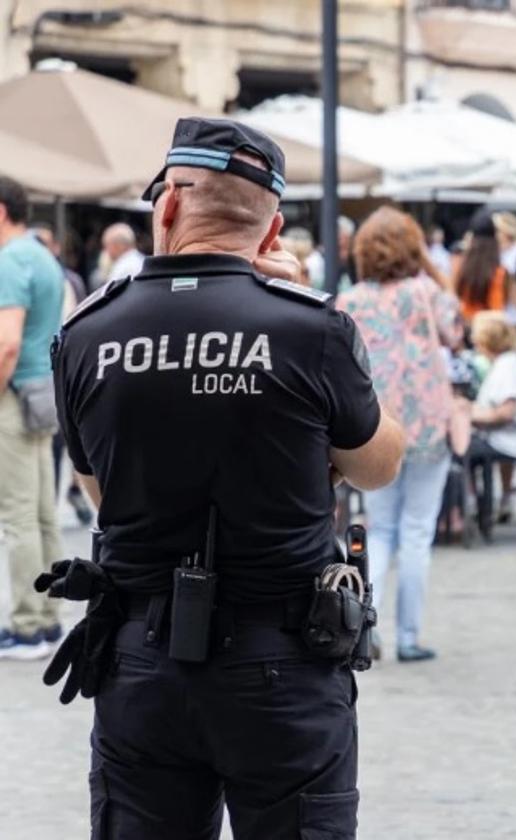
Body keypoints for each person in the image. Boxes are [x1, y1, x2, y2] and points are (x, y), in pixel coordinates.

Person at [48, 117, 405, 838]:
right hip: (285, 661)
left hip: (142, 661)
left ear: (169, 206)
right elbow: (379, 464)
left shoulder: (87, 335)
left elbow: (102, 493)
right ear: (272, 232)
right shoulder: (311, 328)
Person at [338, 207, 462, 662]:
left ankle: (366, 625)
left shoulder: (351, 300)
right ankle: (409, 636)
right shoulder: (425, 291)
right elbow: (456, 332)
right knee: (416, 530)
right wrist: (432, 270)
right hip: (428, 422)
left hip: (375, 424)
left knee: (381, 528)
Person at [0, 177, 65, 659]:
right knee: (43, 513)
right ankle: (47, 618)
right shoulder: (42, 254)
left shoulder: (9, 260)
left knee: (17, 514)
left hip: (15, 393)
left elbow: (6, 342)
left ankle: (26, 625)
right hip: (43, 391)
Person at [30, 222, 94, 527]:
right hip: (57, 374)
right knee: (56, 447)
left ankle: (59, 497)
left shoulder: (47, 279)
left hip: (49, 375)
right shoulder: (68, 279)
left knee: (57, 446)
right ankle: (62, 497)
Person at [466, 313, 516, 522]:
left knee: (461, 448)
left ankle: (475, 506)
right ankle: (500, 500)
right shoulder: (512, 363)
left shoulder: (507, 367)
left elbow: (505, 412)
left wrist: (469, 413)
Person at [455, 215, 509, 323]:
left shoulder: (460, 267)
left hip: (465, 327)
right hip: (489, 330)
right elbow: (497, 308)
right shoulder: (499, 272)